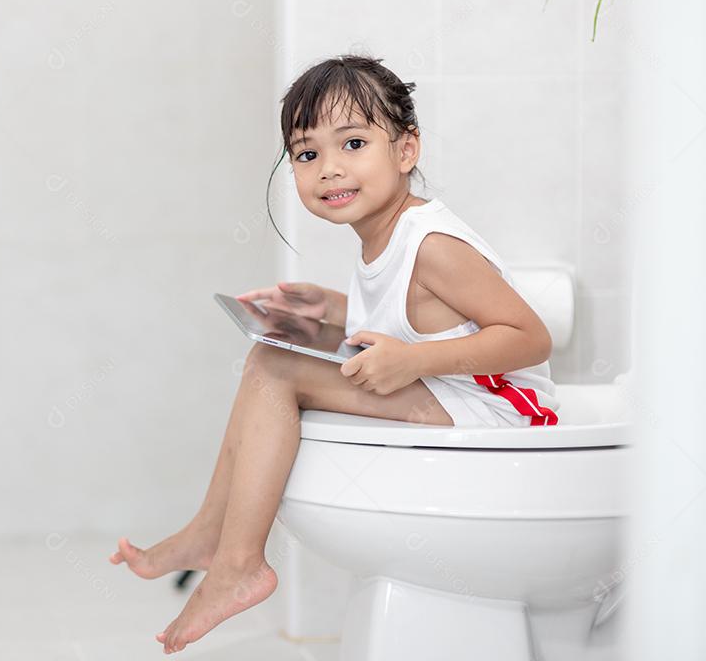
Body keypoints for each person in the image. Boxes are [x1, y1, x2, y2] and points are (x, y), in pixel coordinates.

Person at [109, 54, 560, 654]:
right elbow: (422, 319)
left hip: (503, 414)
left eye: (352, 143)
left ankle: (237, 562)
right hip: (458, 396)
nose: (329, 169)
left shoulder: (433, 245)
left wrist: (412, 362)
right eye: (307, 154)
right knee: (269, 357)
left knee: (274, 367)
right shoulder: (384, 232)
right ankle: (210, 537)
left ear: (406, 151)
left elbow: (530, 337)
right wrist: (331, 307)